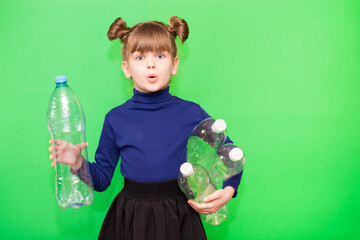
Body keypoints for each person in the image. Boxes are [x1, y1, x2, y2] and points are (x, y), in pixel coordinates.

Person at [49, 16, 243, 240]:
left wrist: (228, 190)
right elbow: (102, 180)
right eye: (140, 57)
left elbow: (230, 154)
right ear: (126, 68)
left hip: (179, 216)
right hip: (131, 219)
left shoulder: (191, 113)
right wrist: (77, 162)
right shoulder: (115, 118)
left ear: (175, 65)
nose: (151, 64)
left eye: (160, 56)